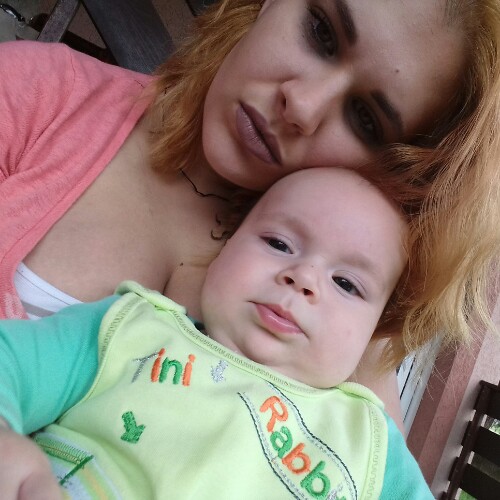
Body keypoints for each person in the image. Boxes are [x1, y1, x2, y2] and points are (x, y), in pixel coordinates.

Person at [1, 0, 500, 428]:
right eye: (321, 32)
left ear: (399, 171)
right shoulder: (38, 95)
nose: (301, 105)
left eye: (365, 119)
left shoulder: (331, 311)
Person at [0, 167, 442, 499]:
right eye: (279, 243)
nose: (304, 277)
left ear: (374, 333)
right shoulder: (128, 329)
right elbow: (11, 362)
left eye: (346, 283)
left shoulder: (370, 447)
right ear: (225, 244)